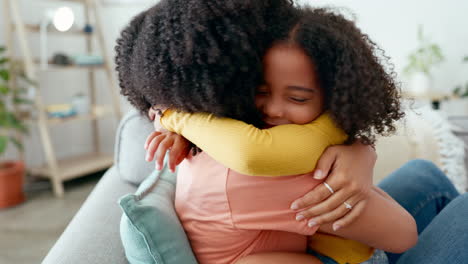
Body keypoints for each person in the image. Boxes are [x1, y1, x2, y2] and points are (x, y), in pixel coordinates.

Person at [117, 1, 419, 263]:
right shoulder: (266, 171)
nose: (273, 110)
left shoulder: (205, 140)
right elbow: (404, 234)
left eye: (298, 98)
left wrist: (360, 149)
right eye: (260, 91)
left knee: (423, 172)